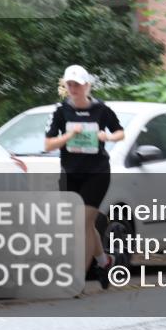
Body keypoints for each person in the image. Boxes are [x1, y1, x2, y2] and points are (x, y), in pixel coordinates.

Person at [44, 65, 124, 290]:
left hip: (97, 173)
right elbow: (48, 144)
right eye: (69, 85)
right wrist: (70, 135)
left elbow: (120, 132)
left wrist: (105, 136)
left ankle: (77, 280)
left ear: (87, 85)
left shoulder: (101, 109)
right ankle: (105, 262)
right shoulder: (60, 111)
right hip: (70, 174)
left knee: (83, 222)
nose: (73, 88)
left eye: (77, 84)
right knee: (83, 226)